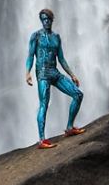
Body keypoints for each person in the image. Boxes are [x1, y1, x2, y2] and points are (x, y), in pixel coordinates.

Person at [25, 8, 85, 149]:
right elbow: (30, 56)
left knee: (78, 94)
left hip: (55, 72)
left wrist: (72, 75)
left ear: (52, 20)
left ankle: (69, 127)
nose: (45, 22)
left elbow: (62, 59)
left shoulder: (56, 37)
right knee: (44, 105)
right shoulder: (36, 36)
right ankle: (41, 140)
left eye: (48, 19)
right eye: (43, 19)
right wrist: (27, 73)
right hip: (43, 74)